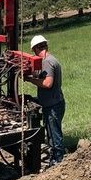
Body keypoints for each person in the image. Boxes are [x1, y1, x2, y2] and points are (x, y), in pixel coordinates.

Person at [23, 34, 64, 166]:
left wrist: (30, 80)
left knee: (54, 134)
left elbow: (47, 83)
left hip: (53, 105)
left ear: (35, 49)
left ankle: (57, 161)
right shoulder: (51, 60)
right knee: (52, 133)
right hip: (54, 102)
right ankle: (56, 158)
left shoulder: (47, 62)